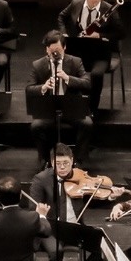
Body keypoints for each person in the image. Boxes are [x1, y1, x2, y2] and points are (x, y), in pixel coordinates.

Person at [29, 143, 126, 261]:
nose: (62, 168)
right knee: (56, 252)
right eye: (58, 164)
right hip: (51, 228)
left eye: (66, 163)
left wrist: (111, 197)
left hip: (74, 227)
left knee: (103, 246)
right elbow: (33, 209)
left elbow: (93, 200)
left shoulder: (80, 177)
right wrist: (40, 211)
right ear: (51, 162)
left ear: (72, 160)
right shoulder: (41, 179)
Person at [56, 0, 125, 114]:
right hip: (78, 50)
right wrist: (63, 33)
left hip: (100, 54)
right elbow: (61, 17)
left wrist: (99, 35)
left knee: (96, 75)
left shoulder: (109, 9)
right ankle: (70, 105)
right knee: (65, 69)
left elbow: (120, 33)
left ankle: (91, 108)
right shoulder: (76, 3)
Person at [27, 30, 94, 165]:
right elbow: (29, 89)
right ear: (47, 49)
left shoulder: (75, 62)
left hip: (71, 109)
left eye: (58, 50)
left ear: (64, 47)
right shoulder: (38, 65)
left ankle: (78, 160)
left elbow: (87, 83)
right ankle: (45, 160)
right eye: (52, 51)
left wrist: (68, 78)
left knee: (87, 123)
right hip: (48, 110)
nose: (55, 54)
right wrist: (44, 87)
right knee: (36, 126)